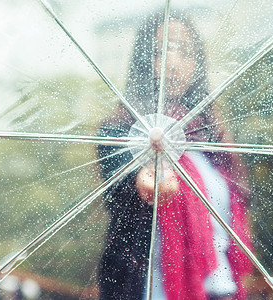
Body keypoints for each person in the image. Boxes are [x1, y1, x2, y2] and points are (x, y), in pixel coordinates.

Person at [97, 10, 253, 300]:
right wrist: (141, 175)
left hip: (219, 290)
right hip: (151, 290)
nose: (175, 63)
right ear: (144, 59)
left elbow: (238, 203)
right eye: (162, 51)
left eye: (186, 53)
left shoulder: (212, 140)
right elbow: (118, 177)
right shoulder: (122, 132)